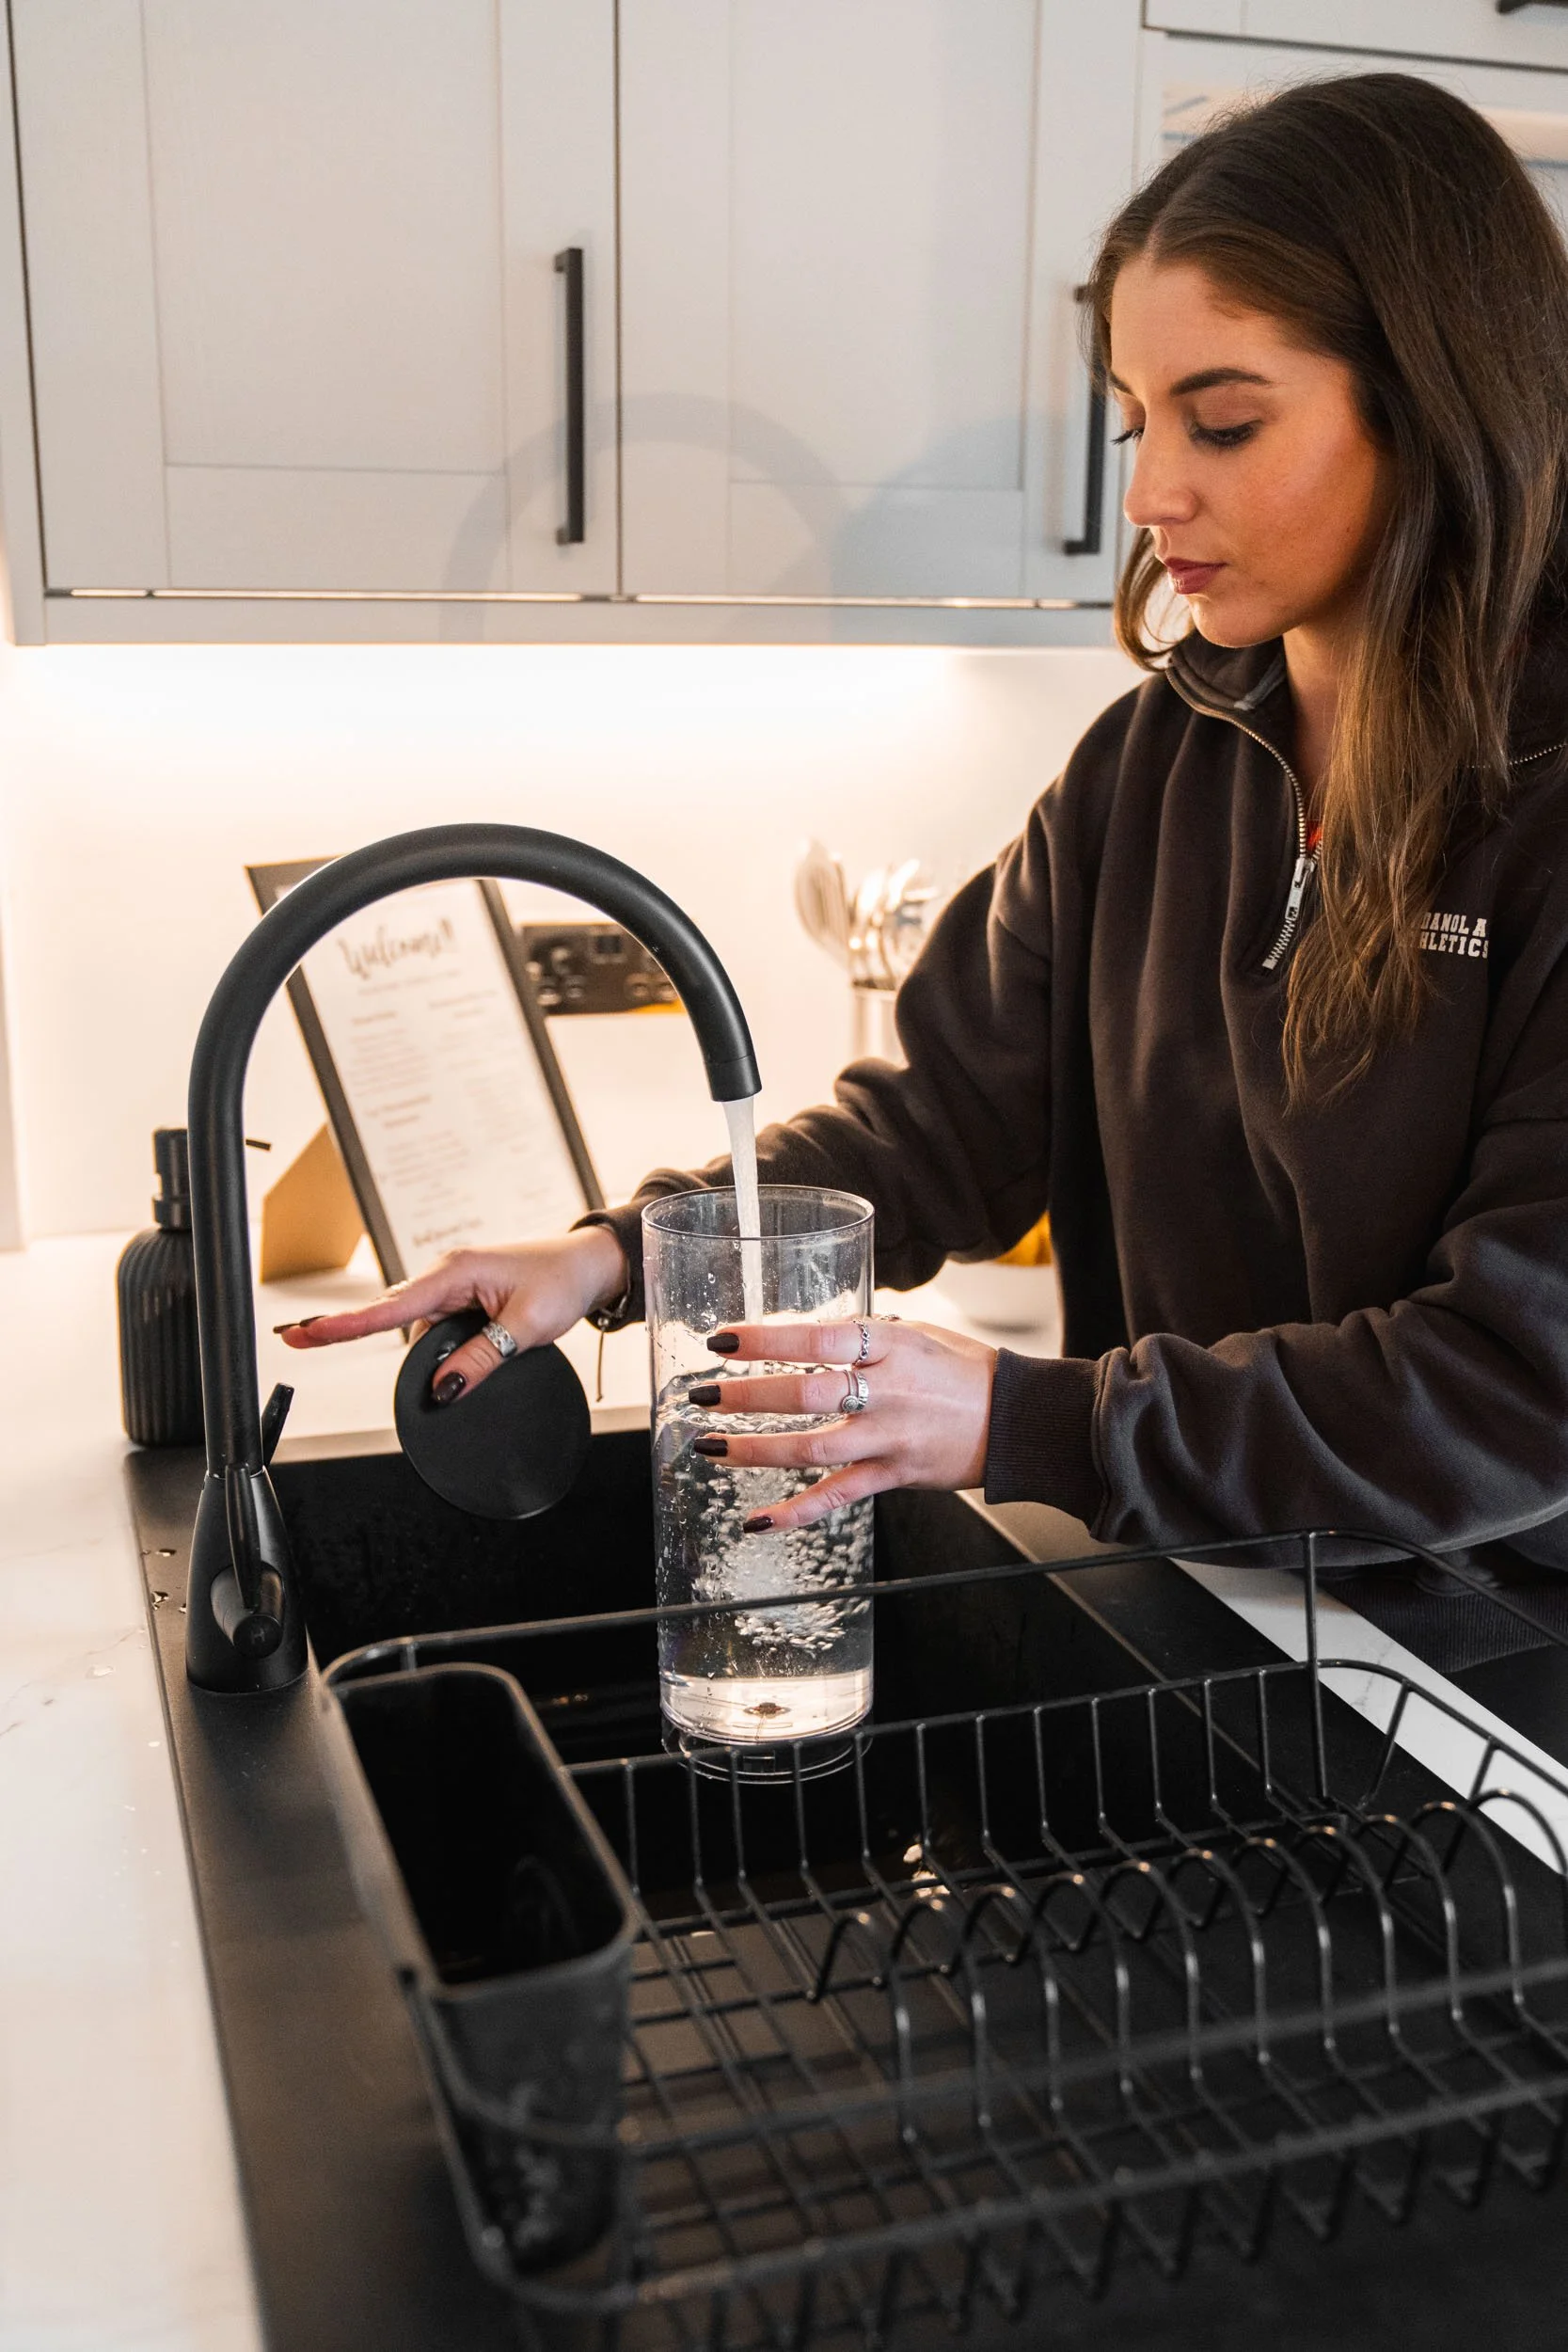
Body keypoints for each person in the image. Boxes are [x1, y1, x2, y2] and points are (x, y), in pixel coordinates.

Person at [283, 74, 1568, 1597]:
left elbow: (1516, 1386)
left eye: (1221, 422)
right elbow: (939, 1123)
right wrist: (624, 1255)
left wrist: (1029, 1418)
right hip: (1224, 1591)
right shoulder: (1157, 759)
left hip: (1498, 1671)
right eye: (1135, 421)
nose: (1151, 490)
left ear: (1431, 400)